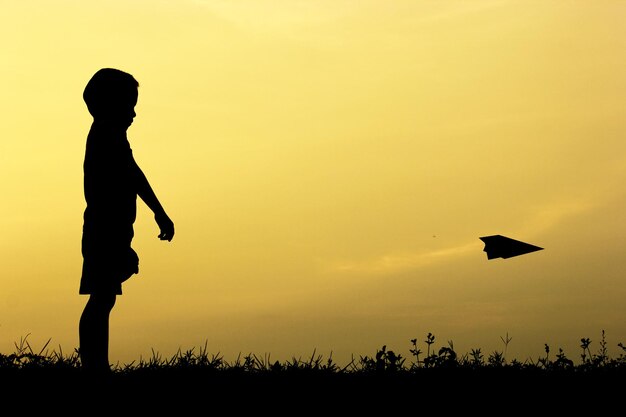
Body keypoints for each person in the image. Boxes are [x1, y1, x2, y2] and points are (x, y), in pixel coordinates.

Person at [78, 68, 175, 374]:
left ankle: (97, 364)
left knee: (104, 297)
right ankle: (95, 366)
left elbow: (132, 174)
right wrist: (159, 212)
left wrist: (157, 211)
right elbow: (133, 175)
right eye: (129, 105)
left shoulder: (110, 136)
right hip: (104, 231)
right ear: (109, 105)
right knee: (102, 297)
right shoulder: (108, 135)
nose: (133, 113)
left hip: (111, 230)